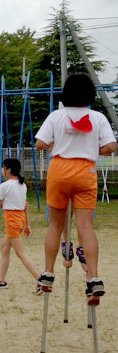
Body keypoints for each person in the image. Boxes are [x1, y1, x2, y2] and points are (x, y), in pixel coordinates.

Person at [35, 72, 116, 299]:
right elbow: (111, 146)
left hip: (59, 169)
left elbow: (40, 143)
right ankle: (93, 277)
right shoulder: (97, 117)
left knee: (55, 226)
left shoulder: (56, 116)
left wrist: (56, 145)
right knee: (85, 227)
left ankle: (48, 272)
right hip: (85, 171)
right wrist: (91, 150)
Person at [0, 158, 42, 293]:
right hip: (19, 219)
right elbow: (25, 206)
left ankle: (40, 280)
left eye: (3, 167)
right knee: (5, 248)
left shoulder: (4, 186)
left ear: (8, 169)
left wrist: (4, 201)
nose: (1, 170)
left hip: (12, 220)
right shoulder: (22, 185)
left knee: (21, 253)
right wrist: (28, 224)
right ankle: (1, 279)